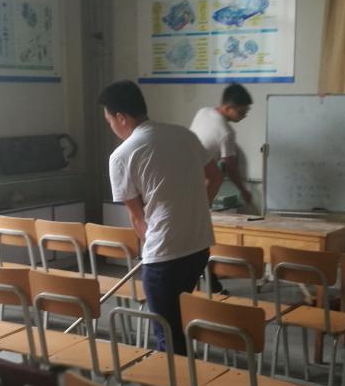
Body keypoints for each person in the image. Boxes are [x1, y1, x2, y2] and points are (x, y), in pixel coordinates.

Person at [102, 80, 223, 362]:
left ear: (121, 117)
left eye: (110, 121)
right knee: (181, 324)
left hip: (164, 256)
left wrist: (153, 245)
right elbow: (215, 177)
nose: (112, 127)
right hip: (199, 247)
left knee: (167, 335)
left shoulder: (122, 155)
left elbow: (137, 218)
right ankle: (186, 380)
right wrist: (194, 209)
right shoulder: (184, 135)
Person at [189, 82, 254, 207]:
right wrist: (243, 191)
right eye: (241, 112)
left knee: (215, 176)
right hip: (194, 162)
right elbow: (230, 167)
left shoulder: (203, 111)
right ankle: (202, 209)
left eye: (246, 112)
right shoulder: (227, 132)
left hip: (187, 154)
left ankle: (202, 208)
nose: (244, 116)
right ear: (228, 108)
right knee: (216, 178)